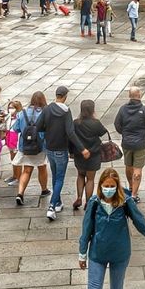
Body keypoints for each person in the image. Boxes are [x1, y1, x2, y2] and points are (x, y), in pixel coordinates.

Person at [77, 167, 145, 289]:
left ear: (117, 186)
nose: (109, 189)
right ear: (101, 185)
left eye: (112, 186)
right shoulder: (94, 202)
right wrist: (82, 254)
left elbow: (139, 220)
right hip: (97, 254)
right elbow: (86, 230)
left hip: (120, 254)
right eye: (106, 186)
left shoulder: (125, 201)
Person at [38, 85, 91, 222]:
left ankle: (58, 202)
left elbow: (38, 126)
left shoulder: (47, 109)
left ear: (56, 95)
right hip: (61, 149)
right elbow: (70, 132)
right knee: (60, 178)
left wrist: (49, 129)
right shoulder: (66, 111)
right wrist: (82, 148)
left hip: (50, 149)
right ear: (65, 96)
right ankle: (51, 207)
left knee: (55, 176)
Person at [114, 86, 145, 203]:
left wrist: (124, 133)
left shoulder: (122, 109)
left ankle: (130, 186)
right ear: (139, 96)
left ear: (129, 96)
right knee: (137, 168)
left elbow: (117, 124)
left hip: (127, 143)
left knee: (128, 166)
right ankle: (134, 195)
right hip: (141, 144)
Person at [13, 91, 51, 207]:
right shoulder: (45, 113)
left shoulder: (22, 113)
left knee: (27, 170)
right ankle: (44, 189)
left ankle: (20, 193)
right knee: (42, 167)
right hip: (39, 146)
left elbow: (16, 129)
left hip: (25, 145)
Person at [73, 100, 108, 211]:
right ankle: (88, 202)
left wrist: (71, 152)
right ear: (92, 109)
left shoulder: (76, 123)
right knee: (90, 179)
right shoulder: (95, 123)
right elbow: (103, 132)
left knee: (80, 175)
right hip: (93, 155)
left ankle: (79, 197)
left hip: (79, 154)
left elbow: (71, 137)